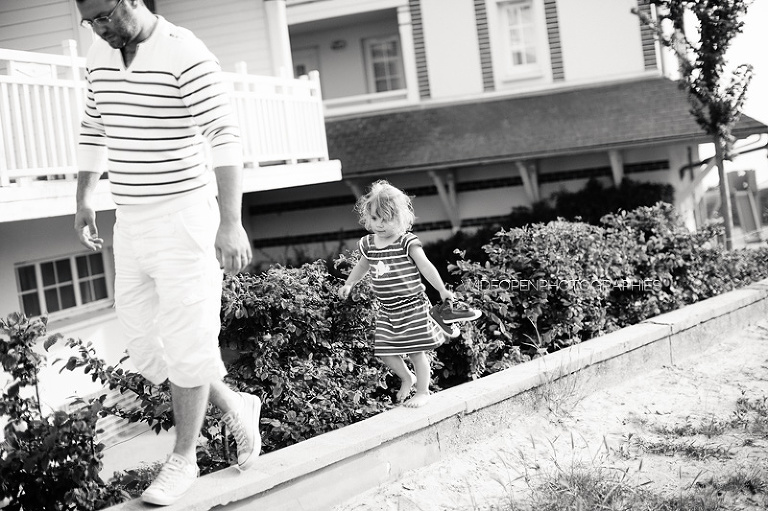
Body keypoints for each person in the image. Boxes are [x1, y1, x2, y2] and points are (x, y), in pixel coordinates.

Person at [73, 0, 260, 505]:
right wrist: (85, 197)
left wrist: (231, 221)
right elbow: (94, 125)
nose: (98, 27)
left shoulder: (185, 52)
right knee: (142, 342)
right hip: (129, 219)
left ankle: (184, 459)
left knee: (188, 338)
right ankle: (235, 404)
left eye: (104, 16)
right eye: (88, 20)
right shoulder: (98, 52)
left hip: (184, 216)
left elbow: (224, 135)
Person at [338, 180, 480, 408]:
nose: (380, 225)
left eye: (387, 219)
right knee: (384, 351)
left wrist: (442, 289)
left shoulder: (406, 242)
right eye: (375, 219)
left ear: (400, 218)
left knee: (416, 351)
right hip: (387, 310)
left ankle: (423, 391)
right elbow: (362, 266)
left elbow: (426, 266)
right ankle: (407, 377)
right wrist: (349, 283)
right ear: (367, 217)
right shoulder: (369, 244)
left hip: (412, 306)